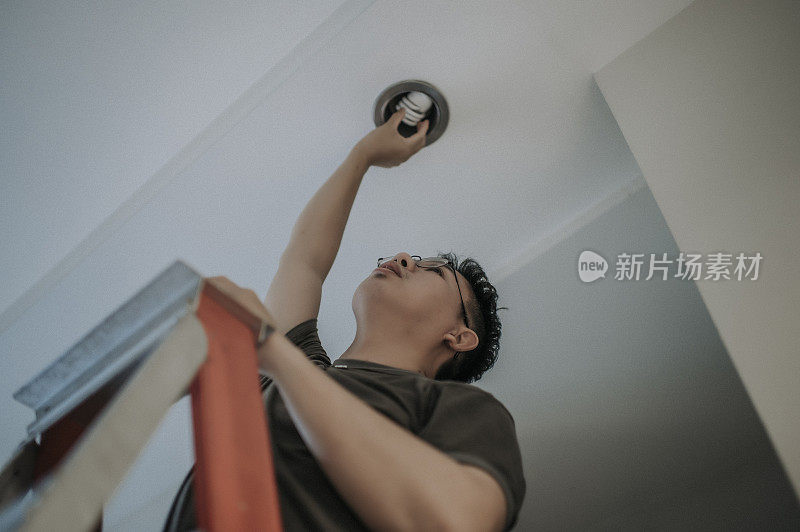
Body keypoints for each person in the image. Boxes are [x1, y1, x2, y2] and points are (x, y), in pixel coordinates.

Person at [164, 108, 526, 531]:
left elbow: (460, 521)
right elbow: (305, 261)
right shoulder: (296, 362)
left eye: (434, 271)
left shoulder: (459, 409)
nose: (403, 257)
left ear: (460, 336)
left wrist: (274, 353)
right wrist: (364, 155)